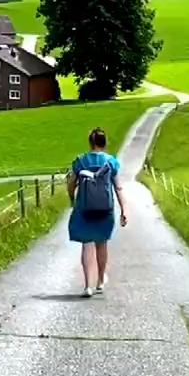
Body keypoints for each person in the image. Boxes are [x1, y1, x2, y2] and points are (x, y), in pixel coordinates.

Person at [67, 127, 126, 298]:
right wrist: (124, 209)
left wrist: (72, 198)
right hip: (105, 210)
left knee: (87, 245)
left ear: (90, 143)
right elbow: (118, 187)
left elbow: (71, 184)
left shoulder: (80, 161)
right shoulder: (111, 162)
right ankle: (100, 281)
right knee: (102, 244)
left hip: (84, 209)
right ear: (104, 143)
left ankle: (87, 286)